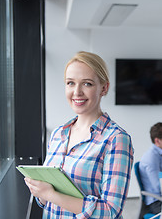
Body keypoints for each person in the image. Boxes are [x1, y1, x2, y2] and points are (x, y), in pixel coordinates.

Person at [23, 51, 134, 218]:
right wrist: (39, 189)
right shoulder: (58, 134)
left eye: (87, 84)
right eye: (70, 83)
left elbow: (110, 211)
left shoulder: (116, 139)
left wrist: (51, 195)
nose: (77, 92)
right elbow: (46, 201)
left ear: (104, 88)